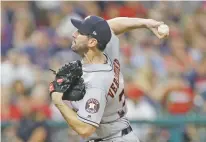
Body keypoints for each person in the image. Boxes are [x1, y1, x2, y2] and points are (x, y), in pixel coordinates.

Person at [50, 15, 168, 142]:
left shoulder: (95, 82)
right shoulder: (106, 50)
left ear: (92, 42)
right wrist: (146, 23)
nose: (74, 34)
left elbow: (85, 129)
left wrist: (58, 102)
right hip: (119, 133)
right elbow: (109, 26)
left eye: (80, 32)